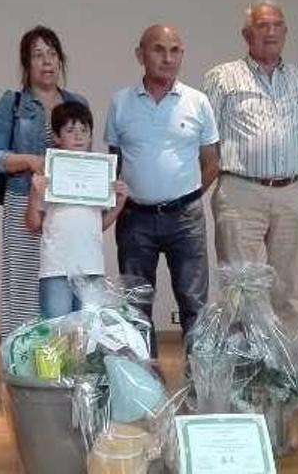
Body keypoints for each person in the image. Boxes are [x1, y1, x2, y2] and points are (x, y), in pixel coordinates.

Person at [202, 0, 298, 368]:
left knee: (289, 290)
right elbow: (207, 139)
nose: (270, 32)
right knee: (241, 290)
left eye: (277, 25)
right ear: (246, 34)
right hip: (241, 190)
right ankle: (244, 375)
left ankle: (286, 376)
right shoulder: (221, 77)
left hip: (294, 191)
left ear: (285, 32)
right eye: (262, 25)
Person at [105, 25, 220, 354]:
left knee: (194, 304)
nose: (167, 58)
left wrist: (188, 197)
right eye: (158, 49)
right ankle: (146, 386)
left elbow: (212, 162)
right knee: (136, 307)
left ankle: (199, 386)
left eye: (175, 50)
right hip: (135, 219)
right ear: (140, 54)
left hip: (185, 219)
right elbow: (113, 161)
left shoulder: (198, 102)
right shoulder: (120, 103)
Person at [0, 26, 88, 334]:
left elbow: (86, 160)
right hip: (23, 201)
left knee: (67, 282)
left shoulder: (76, 102)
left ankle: (65, 359)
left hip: (69, 207)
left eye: (52, 54)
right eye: (38, 55)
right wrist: (30, 161)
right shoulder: (13, 103)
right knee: (24, 285)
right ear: (26, 64)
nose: (47, 62)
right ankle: (23, 360)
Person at [25, 101, 127, 317]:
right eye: (70, 130)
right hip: (56, 268)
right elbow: (33, 224)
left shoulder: (100, 174)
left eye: (84, 130)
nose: (79, 136)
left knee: (88, 334)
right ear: (57, 137)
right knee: (56, 334)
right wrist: (35, 192)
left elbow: (99, 225)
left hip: (91, 267)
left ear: (91, 135)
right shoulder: (48, 172)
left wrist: (119, 204)